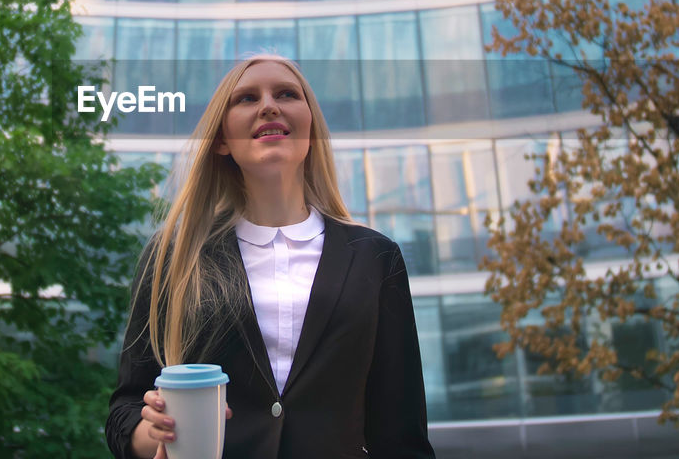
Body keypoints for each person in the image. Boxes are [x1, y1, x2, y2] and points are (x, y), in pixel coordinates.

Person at [106, 55, 435, 459]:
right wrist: (153, 431)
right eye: (246, 98)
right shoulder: (175, 255)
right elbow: (124, 410)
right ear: (223, 140)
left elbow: (402, 433)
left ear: (310, 126)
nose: (268, 105)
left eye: (286, 94)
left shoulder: (376, 257)